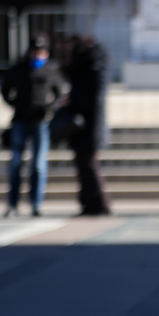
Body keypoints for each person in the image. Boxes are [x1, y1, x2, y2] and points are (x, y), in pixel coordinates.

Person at [0, 36, 61, 217]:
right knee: (16, 163)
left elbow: (59, 94)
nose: (37, 56)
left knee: (38, 164)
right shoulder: (18, 69)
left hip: (40, 122)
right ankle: (13, 204)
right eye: (35, 52)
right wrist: (15, 104)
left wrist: (49, 109)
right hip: (20, 120)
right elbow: (5, 90)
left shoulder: (50, 70)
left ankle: (36, 203)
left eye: (41, 52)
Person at [63, 35, 112, 216]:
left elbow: (90, 99)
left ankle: (98, 204)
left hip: (89, 127)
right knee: (85, 165)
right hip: (85, 126)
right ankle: (89, 204)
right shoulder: (88, 68)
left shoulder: (92, 69)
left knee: (89, 165)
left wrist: (72, 102)